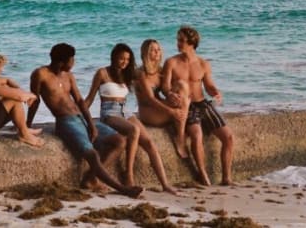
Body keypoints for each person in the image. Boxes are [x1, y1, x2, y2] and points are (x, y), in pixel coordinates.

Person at [29, 43, 143, 198]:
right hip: (65, 122)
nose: (74, 63)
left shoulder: (69, 76)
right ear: (62, 61)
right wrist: (26, 126)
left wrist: (91, 124)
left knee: (120, 141)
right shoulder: (40, 74)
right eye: (72, 60)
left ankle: (90, 178)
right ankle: (122, 189)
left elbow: (80, 101)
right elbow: (34, 101)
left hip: (81, 118)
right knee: (92, 154)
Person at [84, 43, 178, 194]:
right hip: (109, 113)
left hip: (125, 111)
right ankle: (129, 176)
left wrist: (170, 91)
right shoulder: (102, 73)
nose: (124, 62)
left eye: (127, 60)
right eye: (121, 58)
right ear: (114, 57)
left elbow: (149, 76)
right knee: (133, 130)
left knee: (149, 142)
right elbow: (89, 99)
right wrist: (80, 116)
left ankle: (165, 184)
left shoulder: (128, 74)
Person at [162, 26, 234, 186]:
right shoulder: (171, 62)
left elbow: (208, 85)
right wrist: (170, 94)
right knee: (196, 135)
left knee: (228, 137)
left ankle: (226, 178)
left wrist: (215, 92)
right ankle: (203, 175)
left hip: (202, 103)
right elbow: (165, 86)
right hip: (185, 105)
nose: (178, 43)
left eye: (181, 40)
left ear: (192, 43)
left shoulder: (203, 64)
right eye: (178, 39)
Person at [135, 39, 190, 159]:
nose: (157, 52)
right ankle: (180, 138)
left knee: (182, 85)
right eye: (153, 50)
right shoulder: (141, 74)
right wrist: (172, 111)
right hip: (148, 112)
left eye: (158, 49)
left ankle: (179, 132)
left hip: (160, 108)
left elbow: (167, 89)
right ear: (146, 53)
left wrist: (171, 94)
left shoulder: (160, 71)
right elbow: (150, 99)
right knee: (184, 102)